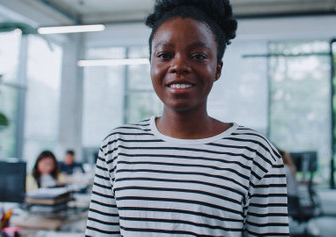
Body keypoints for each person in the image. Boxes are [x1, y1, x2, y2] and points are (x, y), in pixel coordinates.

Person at [85, 0, 289, 236]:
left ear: (217, 68)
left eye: (198, 56)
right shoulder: (117, 145)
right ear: (151, 63)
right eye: (164, 54)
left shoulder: (256, 154)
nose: (179, 65)